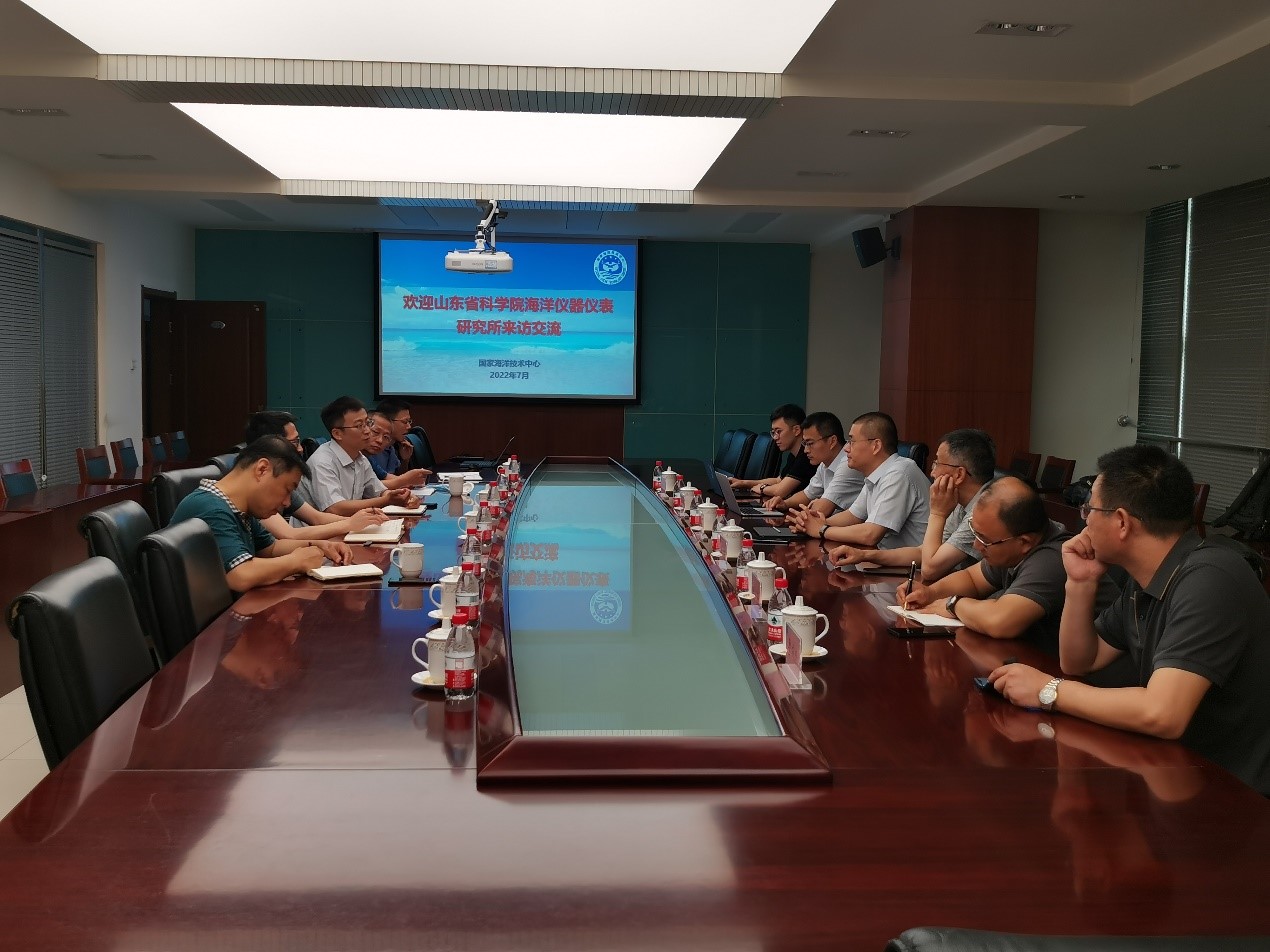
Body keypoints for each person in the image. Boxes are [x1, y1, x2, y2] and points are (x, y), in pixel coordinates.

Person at [988, 445, 1270, 795]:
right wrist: (1080, 582)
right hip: (1176, 774)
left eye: (1090, 508)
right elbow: (1080, 660)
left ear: (1121, 522)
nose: (1084, 519)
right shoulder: (1148, 578)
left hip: (1237, 795)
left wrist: (1050, 690)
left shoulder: (1210, 579)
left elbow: (1162, 713)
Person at [893, 476, 1118, 654]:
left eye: (984, 539)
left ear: (1024, 542)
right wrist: (930, 593)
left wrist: (953, 604)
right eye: (974, 533)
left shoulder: (1054, 559)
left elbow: (1001, 621)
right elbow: (972, 579)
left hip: (1094, 682)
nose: (976, 545)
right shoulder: (1012, 542)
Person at [170, 437, 353, 593]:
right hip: (216, 622)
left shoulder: (238, 507)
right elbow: (240, 575)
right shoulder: (211, 507)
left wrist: (320, 546)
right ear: (262, 469)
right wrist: (296, 561)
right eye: (287, 490)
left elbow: (271, 549)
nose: (287, 502)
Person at [828, 427, 996, 582]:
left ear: (959, 475)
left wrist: (937, 513)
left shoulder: (983, 511)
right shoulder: (958, 503)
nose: (932, 472)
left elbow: (930, 569)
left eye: (937, 463)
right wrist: (864, 555)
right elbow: (921, 552)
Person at [243, 410, 389, 540]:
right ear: (271, 443)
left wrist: (363, 519)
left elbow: (317, 518)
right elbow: (289, 535)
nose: (300, 449)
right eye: (294, 442)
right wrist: (349, 524)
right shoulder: (255, 489)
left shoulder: (278, 481)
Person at [798, 411, 929, 550]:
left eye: (852, 442)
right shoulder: (875, 474)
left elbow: (870, 534)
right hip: (884, 557)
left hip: (914, 563)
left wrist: (822, 530)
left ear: (876, 446)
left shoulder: (898, 473)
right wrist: (814, 523)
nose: (846, 448)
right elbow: (853, 516)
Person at [301, 396, 417, 515]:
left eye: (367, 423)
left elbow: (379, 491)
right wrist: (386, 500)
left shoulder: (360, 458)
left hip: (350, 524)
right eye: (359, 426)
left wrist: (400, 496)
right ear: (337, 434)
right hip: (322, 526)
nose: (367, 431)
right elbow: (335, 508)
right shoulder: (322, 462)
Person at [768, 411, 863, 515]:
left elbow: (820, 509)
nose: (806, 450)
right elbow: (808, 494)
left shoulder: (848, 464)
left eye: (810, 443)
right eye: (805, 444)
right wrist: (785, 504)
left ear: (832, 441)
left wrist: (817, 504)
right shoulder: (824, 463)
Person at [729, 404, 816, 500]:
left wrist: (762, 488)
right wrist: (744, 483)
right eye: (773, 432)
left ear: (796, 430)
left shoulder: (807, 456)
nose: (775, 437)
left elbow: (780, 491)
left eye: (779, 431)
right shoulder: (794, 454)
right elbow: (779, 480)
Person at [366, 409, 430, 489]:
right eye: (375, 432)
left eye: (386, 437)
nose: (380, 440)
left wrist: (411, 480)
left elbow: (387, 477)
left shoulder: (365, 459)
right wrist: (406, 480)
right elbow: (370, 487)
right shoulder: (362, 455)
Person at [367, 398, 417, 477]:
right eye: (405, 422)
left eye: (409, 422)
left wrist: (405, 461)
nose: (409, 426)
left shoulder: (391, 448)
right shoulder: (370, 450)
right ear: (388, 421)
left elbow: (395, 478)